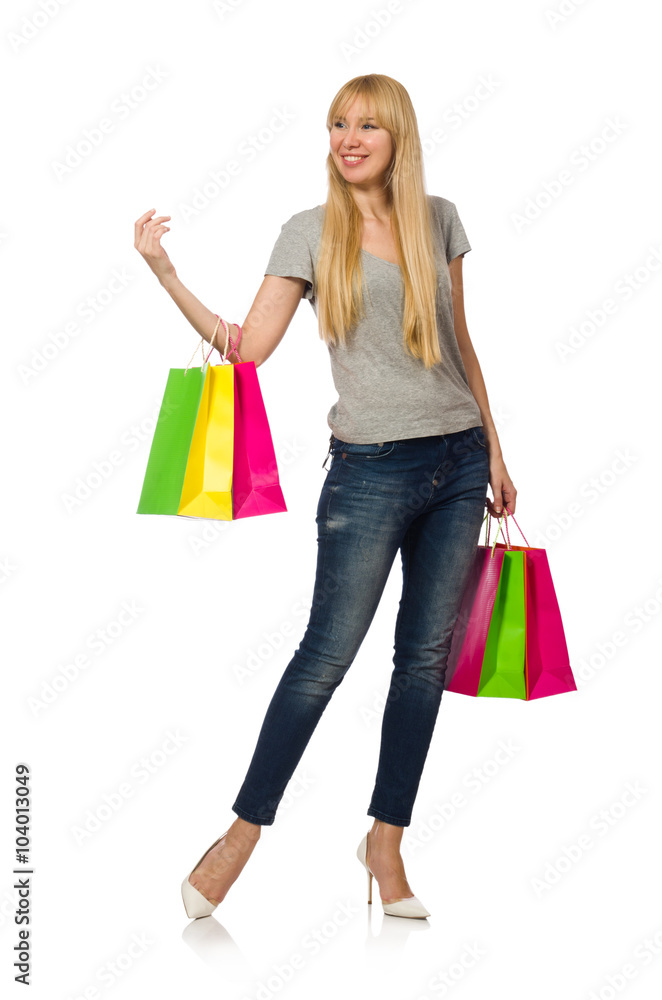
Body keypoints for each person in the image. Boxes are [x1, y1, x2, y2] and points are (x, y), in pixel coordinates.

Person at [134, 73, 516, 921]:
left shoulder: (438, 218)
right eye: (338, 123)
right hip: (370, 469)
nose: (349, 138)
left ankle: (386, 841)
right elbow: (246, 348)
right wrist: (165, 272)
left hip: (458, 462)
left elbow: (464, 343)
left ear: (398, 138)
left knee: (422, 663)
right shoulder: (308, 233)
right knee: (324, 658)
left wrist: (494, 448)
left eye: (368, 126)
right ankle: (240, 833)